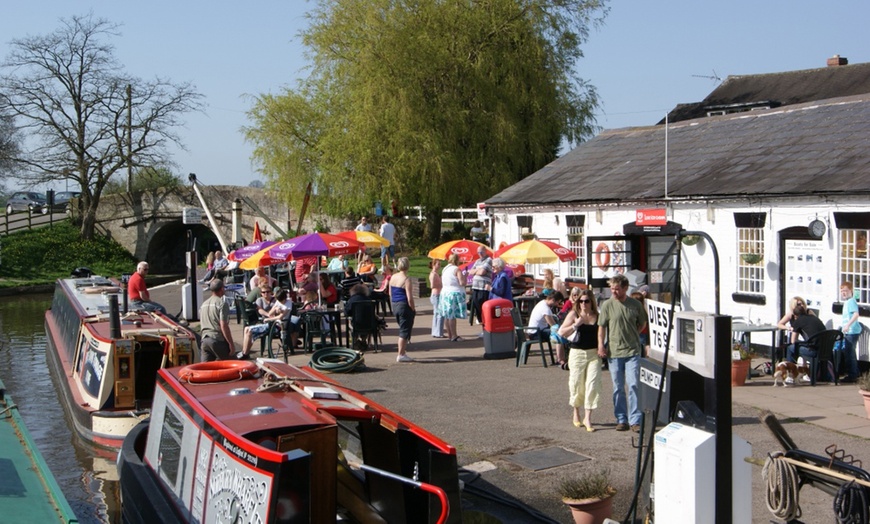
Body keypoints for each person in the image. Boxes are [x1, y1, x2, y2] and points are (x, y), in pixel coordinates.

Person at [598, 274, 648, 433]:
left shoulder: (635, 305)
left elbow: (642, 322)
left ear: (625, 288)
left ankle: (635, 420)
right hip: (614, 352)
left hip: (633, 351)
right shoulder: (607, 305)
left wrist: (634, 334)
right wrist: (601, 346)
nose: (614, 292)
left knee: (633, 385)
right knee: (618, 387)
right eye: (612, 289)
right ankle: (621, 419)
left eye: (617, 289)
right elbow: (602, 327)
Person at [558, 289, 601, 432]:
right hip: (577, 352)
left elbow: (602, 334)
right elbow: (561, 333)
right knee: (576, 383)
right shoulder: (573, 314)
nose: (583, 304)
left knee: (592, 384)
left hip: (593, 353)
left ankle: (588, 417)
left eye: (586, 301)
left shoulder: (597, 315)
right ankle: (576, 413)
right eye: (580, 301)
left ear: (591, 302)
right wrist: (576, 325)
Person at [240, 289, 293, 359]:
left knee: (249, 330)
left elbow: (280, 317)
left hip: (278, 326)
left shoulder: (288, 304)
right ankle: (244, 352)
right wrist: (275, 308)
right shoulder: (279, 301)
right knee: (246, 329)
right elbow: (270, 313)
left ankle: (245, 354)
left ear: (284, 298)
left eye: (280, 301)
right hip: (272, 324)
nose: (279, 302)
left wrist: (269, 319)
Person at [785, 302, 827, 383]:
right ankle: (808, 375)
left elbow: (793, 341)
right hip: (825, 350)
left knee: (790, 348)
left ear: (795, 316)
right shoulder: (815, 318)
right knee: (804, 345)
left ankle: (790, 375)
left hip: (813, 351)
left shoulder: (798, 321)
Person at [199, 279, 235, 361]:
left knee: (206, 369)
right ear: (222, 289)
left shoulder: (203, 304)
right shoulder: (222, 304)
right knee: (232, 363)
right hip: (216, 339)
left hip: (204, 340)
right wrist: (231, 344)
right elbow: (223, 325)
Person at [390, 257, 415, 362]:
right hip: (404, 305)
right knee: (404, 331)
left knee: (402, 327)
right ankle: (401, 354)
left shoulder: (393, 277)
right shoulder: (406, 279)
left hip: (395, 304)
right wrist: (413, 309)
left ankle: (403, 352)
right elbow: (409, 298)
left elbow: (390, 293)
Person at [439, 253, 467, 342]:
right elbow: (462, 282)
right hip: (454, 293)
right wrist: (465, 276)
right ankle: (454, 335)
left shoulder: (445, 269)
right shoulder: (456, 269)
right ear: (457, 260)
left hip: (445, 293)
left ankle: (450, 335)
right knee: (452, 316)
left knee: (447, 315)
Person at [838, 281, 861, 383]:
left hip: (852, 332)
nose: (843, 293)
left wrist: (848, 325)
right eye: (842, 291)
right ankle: (853, 373)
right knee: (848, 353)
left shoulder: (851, 301)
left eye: (845, 291)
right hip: (848, 331)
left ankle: (853, 375)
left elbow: (856, 314)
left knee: (850, 353)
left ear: (851, 291)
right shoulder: (847, 302)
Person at [469, 246, 493, 336]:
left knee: (483, 308)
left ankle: (486, 329)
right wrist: (477, 271)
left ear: (485, 251)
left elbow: (482, 272)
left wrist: (476, 271)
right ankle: (483, 328)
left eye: (481, 252)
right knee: (477, 309)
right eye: (478, 252)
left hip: (483, 288)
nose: (480, 254)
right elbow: (470, 271)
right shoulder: (477, 261)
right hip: (475, 287)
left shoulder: (489, 260)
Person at [429, 259, 445, 338]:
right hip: (436, 295)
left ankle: (436, 332)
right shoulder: (433, 274)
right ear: (434, 265)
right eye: (438, 264)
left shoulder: (436, 274)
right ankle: (438, 332)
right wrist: (440, 285)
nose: (439, 266)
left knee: (436, 313)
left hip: (437, 294)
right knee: (439, 314)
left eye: (440, 264)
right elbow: (432, 285)